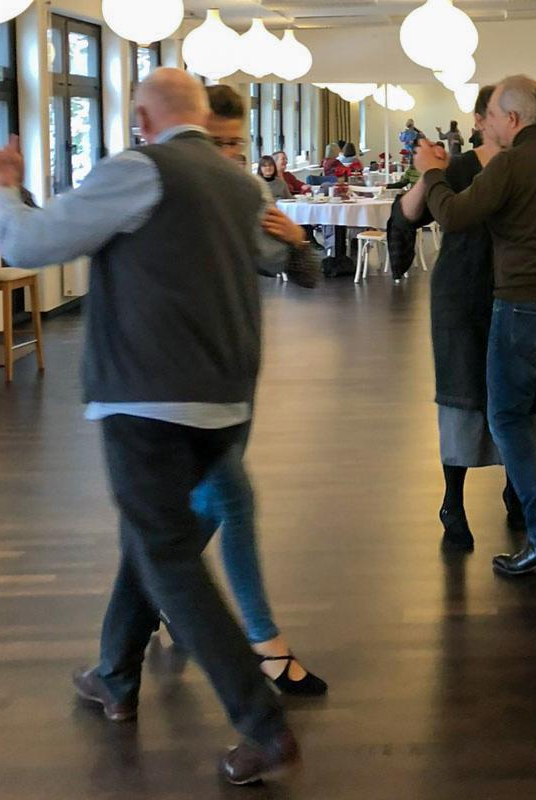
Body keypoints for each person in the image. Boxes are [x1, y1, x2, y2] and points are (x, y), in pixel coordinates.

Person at [0, 68, 300, 784]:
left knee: (167, 554)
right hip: (224, 401)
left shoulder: (139, 169)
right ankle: (115, 677)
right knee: (150, 541)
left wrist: (2, 187)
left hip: (149, 399)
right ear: (201, 118)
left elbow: (28, 244)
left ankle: (262, 724)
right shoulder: (242, 184)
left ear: (144, 121)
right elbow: (277, 258)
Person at [416, 75, 536, 576]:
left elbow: (455, 215)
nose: (488, 124)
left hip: (524, 305)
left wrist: (432, 174)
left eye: (494, 115)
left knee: (508, 419)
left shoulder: (511, 163)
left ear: (513, 119)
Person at [201, 84, 327, 696]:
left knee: (195, 508)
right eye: (216, 143)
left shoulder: (248, 195)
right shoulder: (166, 194)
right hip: (186, 379)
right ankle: (265, 642)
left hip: (236, 369)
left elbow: (303, 275)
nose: (229, 155)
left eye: (236, 144)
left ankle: (145, 616)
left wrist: (297, 241)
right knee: (230, 500)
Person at [390, 85, 527, 549]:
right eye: (499, 113)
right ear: (481, 119)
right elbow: (407, 215)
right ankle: (453, 500)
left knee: (516, 392)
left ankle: (516, 486)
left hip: (514, 291)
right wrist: (428, 174)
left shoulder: (524, 166)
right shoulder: (460, 167)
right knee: (461, 393)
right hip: (461, 293)